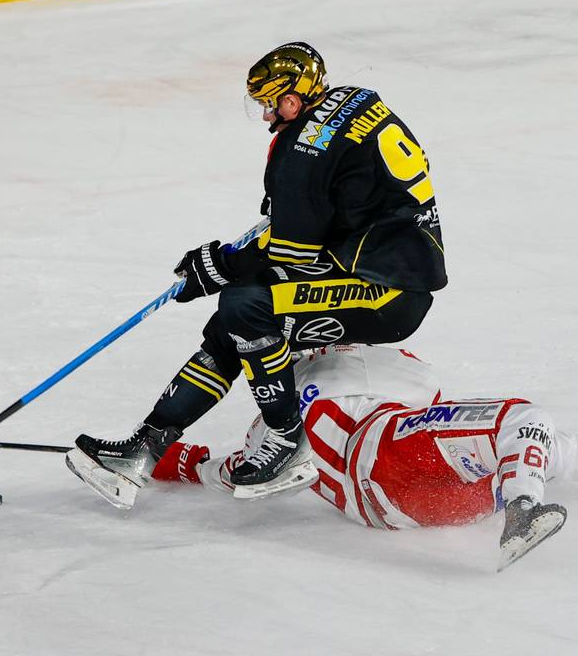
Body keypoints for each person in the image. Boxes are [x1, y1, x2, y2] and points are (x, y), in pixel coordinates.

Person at [67, 41, 447, 507]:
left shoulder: (302, 151)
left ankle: (287, 440)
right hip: (373, 262)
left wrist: (219, 266)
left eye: (271, 104)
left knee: (245, 306)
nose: (267, 115)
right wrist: (231, 260)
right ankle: (145, 448)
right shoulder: (356, 101)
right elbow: (323, 213)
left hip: (388, 292)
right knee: (233, 322)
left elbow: (291, 250)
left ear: (293, 99)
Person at [147, 344, 573, 571]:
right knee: (525, 421)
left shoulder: (268, 428)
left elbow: (238, 475)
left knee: (527, 445)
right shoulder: (364, 360)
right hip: (392, 454)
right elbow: (430, 395)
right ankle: (522, 508)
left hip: (393, 510)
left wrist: (182, 462)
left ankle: (521, 486)